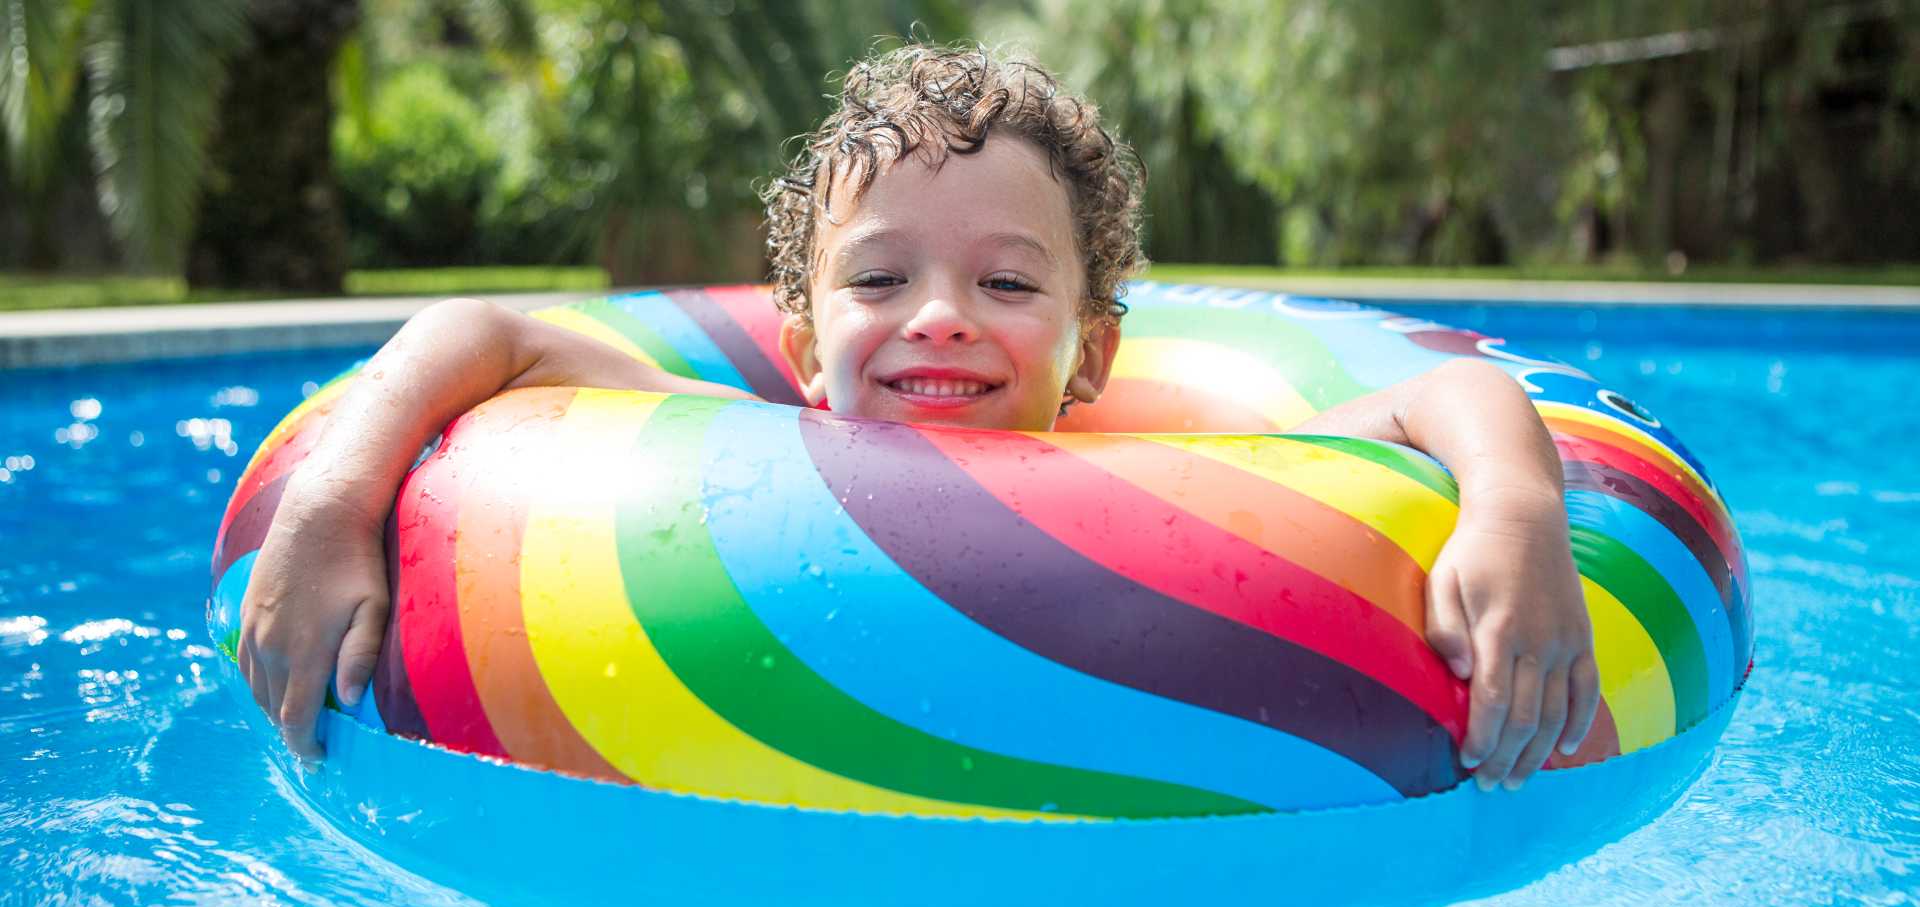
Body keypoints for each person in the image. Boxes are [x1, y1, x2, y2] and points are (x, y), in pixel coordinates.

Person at [238, 42, 1598, 794]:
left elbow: (1445, 393)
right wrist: (330, 504)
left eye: (1007, 282)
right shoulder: (731, 464)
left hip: (1101, 814)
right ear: (804, 351)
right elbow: (489, 333)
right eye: (881, 279)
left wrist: (1520, 514)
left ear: (1089, 352)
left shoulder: (1165, 478)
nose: (940, 315)